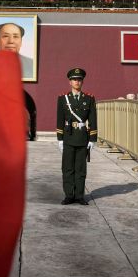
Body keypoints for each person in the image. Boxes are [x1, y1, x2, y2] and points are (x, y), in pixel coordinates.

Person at [56, 68, 97, 205]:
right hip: (68, 136)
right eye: (74, 79)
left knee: (80, 168)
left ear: (82, 81)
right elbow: (60, 119)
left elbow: (93, 119)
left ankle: (79, 196)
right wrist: (60, 139)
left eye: (79, 79)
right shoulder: (63, 99)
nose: (77, 82)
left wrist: (92, 139)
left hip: (82, 138)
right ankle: (69, 195)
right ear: (70, 82)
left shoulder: (89, 99)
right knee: (67, 168)